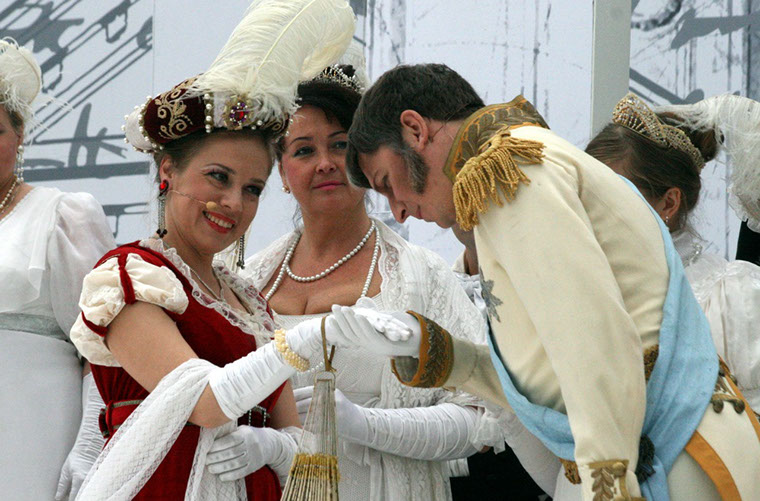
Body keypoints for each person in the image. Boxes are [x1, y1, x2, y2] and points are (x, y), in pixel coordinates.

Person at [333, 63, 760, 500]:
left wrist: (608, 483)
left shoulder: (510, 170)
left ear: (414, 129)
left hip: (676, 456)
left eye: (387, 183)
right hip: (665, 453)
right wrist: (444, 356)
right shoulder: (517, 165)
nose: (399, 210)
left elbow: (593, 338)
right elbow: (551, 375)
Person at [65, 1, 358, 499]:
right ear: (168, 170)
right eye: (218, 177)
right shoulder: (130, 278)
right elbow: (203, 401)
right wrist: (306, 340)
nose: (234, 203)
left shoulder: (250, 302)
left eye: (252, 189)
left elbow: (300, 444)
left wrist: (273, 447)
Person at [244, 57, 511, 501]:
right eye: (304, 150)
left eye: (341, 145)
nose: (326, 163)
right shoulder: (249, 282)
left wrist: (367, 424)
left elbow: (481, 418)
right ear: (282, 172)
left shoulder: (418, 275)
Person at [586, 92, 760, 411]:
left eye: (610, 197)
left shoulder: (731, 299)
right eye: (582, 194)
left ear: (669, 202)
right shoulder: (576, 289)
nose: (588, 213)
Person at [0, 38, 115, 501]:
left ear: (19, 134)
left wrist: (91, 443)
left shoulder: (65, 214)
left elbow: (103, 341)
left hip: (37, 426)